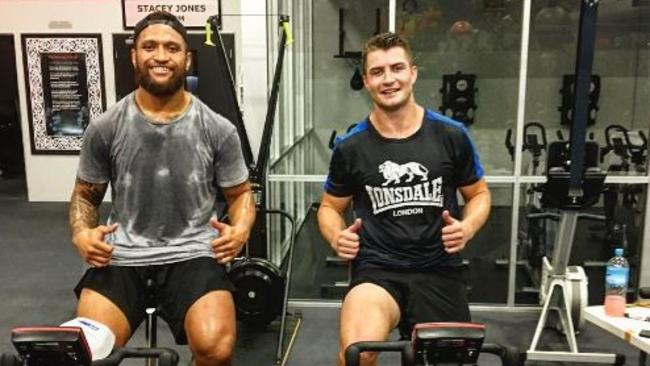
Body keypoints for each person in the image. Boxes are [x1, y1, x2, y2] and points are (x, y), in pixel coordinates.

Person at [68, 11, 255, 366]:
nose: (161, 56)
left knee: (216, 348)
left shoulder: (218, 128)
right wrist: (81, 233)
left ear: (187, 58)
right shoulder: (106, 127)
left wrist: (240, 228)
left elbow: (241, 193)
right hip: (122, 255)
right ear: (135, 55)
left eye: (172, 48)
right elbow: (85, 194)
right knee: (86, 352)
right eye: (149, 46)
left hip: (193, 253)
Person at [317, 32, 491, 366]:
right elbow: (329, 206)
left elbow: (479, 194)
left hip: (439, 269)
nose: (389, 79)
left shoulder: (451, 135)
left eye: (396, 68)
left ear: (413, 72)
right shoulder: (351, 147)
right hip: (378, 269)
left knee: (449, 360)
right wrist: (336, 236)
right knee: (358, 352)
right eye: (378, 72)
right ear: (366, 81)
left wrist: (467, 228)